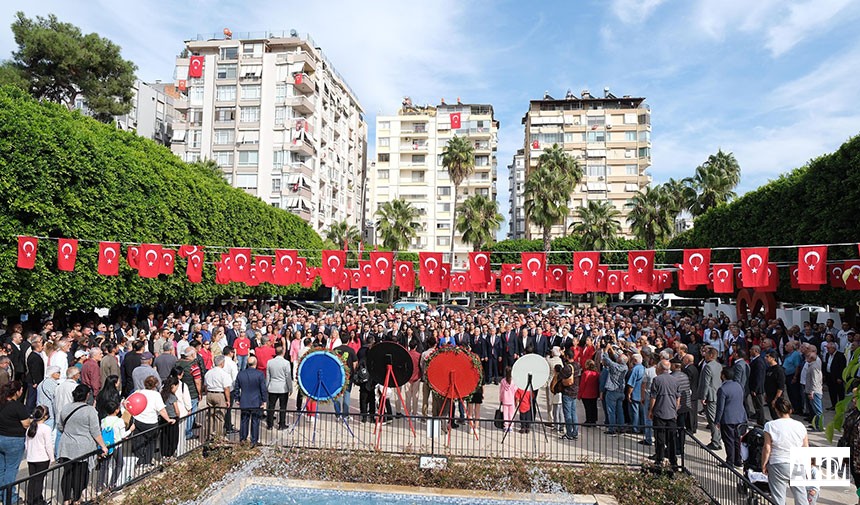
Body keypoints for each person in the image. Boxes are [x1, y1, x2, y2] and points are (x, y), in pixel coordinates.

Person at [57, 384, 108, 505]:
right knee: (80, 476)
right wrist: (103, 446)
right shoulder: (90, 411)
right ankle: (76, 499)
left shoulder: (66, 408)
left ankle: (66, 499)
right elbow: (95, 431)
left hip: (66, 446)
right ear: (87, 395)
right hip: (83, 448)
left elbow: (60, 426)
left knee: (67, 474)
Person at [761, 397, 809, 505]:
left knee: (779, 499)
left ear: (776, 410)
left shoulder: (770, 425)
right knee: (801, 497)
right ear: (790, 410)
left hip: (778, 463)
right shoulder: (800, 426)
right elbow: (805, 447)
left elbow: (767, 448)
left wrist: (763, 464)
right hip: (797, 464)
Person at [131, 375, 173, 470]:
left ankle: (140, 461)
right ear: (155, 385)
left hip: (139, 420)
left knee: (139, 441)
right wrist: (168, 419)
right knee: (151, 443)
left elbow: (127, 402)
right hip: (151, 422)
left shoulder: (139, 392)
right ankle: (147, 462)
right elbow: (161, 410)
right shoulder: (156, 395)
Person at [0, 381, 31, 494]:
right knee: (11, 470)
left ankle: (1, 493)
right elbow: (26, 424)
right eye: (21, 390)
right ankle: (10, 497)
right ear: (16, 392)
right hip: (14, 440)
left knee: (1, 469)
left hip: (1, 437)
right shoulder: (18, 406)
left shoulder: (2, 403)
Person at [648, 359, 680, 469]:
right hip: (671, 412)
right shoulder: (675, 380)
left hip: (659, 412)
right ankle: (673, 460)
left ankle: (659, 459)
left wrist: (651, 411)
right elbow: (678, 397)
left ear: (661, 368)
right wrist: (675, 410)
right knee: (671, 438)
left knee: (659, 437)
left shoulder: (656, 380)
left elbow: (653, 398)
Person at [714, 367, 747, 468]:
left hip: (728, 418)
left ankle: (730, 461)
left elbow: (720, 407)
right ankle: (738, 460)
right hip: (739, 417)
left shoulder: (723, 389)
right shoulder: (739, 386)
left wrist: (717, 420)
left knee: (728, 441)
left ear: (723, 376)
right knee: (737, 440)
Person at [97, 400, 130, 492]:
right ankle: (112, 484)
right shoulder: (120, 421)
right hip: (116, 445)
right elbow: (123, 435)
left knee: (104, 466)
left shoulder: (103, 420)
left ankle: (100, 486)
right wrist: (131, 429)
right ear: (116, 410)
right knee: (119, 463)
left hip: (106, 446)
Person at [235, 356, 267, 447]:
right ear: (256, 364)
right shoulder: (259, 374)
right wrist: (264, 400)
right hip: (256, 401)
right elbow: (263, 389)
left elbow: (237, 387)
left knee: (244, 421)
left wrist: (237, 398)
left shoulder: (241, 374)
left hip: (244, 400)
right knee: (255, 421)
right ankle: (254, 441)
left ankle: (243, 439)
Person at [25, 405, 53, 505]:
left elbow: (27, 444)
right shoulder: (46, 429)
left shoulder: (30, 428)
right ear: (45, 416)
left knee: (32, 480)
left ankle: (30, 500)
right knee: (39, 481)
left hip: (31, 458)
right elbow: (48, 445)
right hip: (42, 458)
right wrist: (52, 458)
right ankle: (37, 501)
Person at [698, 346, 723, 450]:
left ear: (711, 355)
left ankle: (715, 441)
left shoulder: (708, 367)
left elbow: (707, 383)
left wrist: (703, 397)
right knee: (716, 418)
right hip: (717, 394)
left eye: (707, 353)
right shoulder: (719, 365)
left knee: (712, 419)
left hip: (710, 396)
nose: (705, 355)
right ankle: (717, 438)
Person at [204, 355, 232, 438]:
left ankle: (208, 435)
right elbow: (226, 388)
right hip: (219, 394)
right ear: (222, 363)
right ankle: (218, 436)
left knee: (209, 416)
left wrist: (207, 393)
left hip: (210, 393)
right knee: (219, 417)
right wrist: (228, 400)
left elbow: (205, 386)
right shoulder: (224, 374)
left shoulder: (208, 373)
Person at [265, 345, 292, 430]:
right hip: (283, 388)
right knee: (283, 407)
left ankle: (270, 424)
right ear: (283, 352)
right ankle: (282, 424)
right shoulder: (286, 363)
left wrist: (267, 386)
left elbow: (268, 376)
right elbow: (288, 377)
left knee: (271, 406)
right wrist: (290, 388)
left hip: (272, 386)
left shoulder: (270, 362)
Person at [559, 348, 581, 440]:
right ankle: (575, 432)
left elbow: (560, 377)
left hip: (567, 391)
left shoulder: (567, 368)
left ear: (567, 357)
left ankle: (569, 433)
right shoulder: (577, 365)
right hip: (575, 390)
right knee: (573, 412)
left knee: (567, 413)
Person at [159, 376, 181, 460]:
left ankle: (164, 454)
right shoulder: (172, 397)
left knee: (164, 437)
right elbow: (177, 410)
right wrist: (178, 416)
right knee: (173, 438)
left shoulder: (162, 394)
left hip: (163, 418)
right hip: (173, 418)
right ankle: (170, 454)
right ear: (173, 386)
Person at [823, 342, 846, 411]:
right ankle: (834, 405)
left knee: (840, 392)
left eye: (828, 348)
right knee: (832, 391)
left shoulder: (840, 355)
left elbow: (842, 367)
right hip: (830, 376)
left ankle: (841, 406)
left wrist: (840, 377)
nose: (827, 350)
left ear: (833, 348)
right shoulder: (827, 355)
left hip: (837, 377)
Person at [763, 350, 786, 421]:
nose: (765, 358)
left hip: (776, 397)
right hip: (769, 395)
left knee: (778, 416)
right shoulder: (769, 369)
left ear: (773, 358)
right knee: (773, 415)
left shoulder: (779, 370)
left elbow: (781, 387)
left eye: (767, 357)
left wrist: (776, 399)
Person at [804, 350, 823, 431]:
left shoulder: (814, 367)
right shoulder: (812, 365)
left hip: (815, 392)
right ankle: (815, 424)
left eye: (807, 357)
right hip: (813, 391)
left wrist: (812, 392)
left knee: (818, 410)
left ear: (811, 358)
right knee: (814, 410)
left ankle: (819, 426)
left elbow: (815, 380)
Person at [579, 359, 599, 425]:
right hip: (594, 393)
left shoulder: (585, 373)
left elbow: (582, 385)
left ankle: (588, 420)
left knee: (588, 408)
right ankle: (594, 420)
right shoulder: (596, 373)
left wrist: (579, 394)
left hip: (586, 394)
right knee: (594, 407)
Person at [498, 366, 516, 433]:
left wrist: (501, 398)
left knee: (505, 414)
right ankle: (511, 426)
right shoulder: (513, 381)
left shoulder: (503, 381)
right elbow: (515, 390)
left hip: (505, 399)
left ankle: (506, 426)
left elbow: (501, 391)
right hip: (511, 400)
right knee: (511, 414)